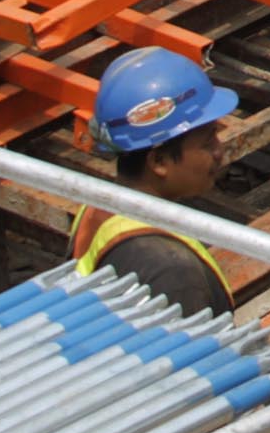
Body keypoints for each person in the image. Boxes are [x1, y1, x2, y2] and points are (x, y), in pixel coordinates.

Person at [72, 49, 239, 317]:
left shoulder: (99, 210)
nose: (219, 152)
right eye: (208, 142)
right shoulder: (174, 273)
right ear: (159, 161)